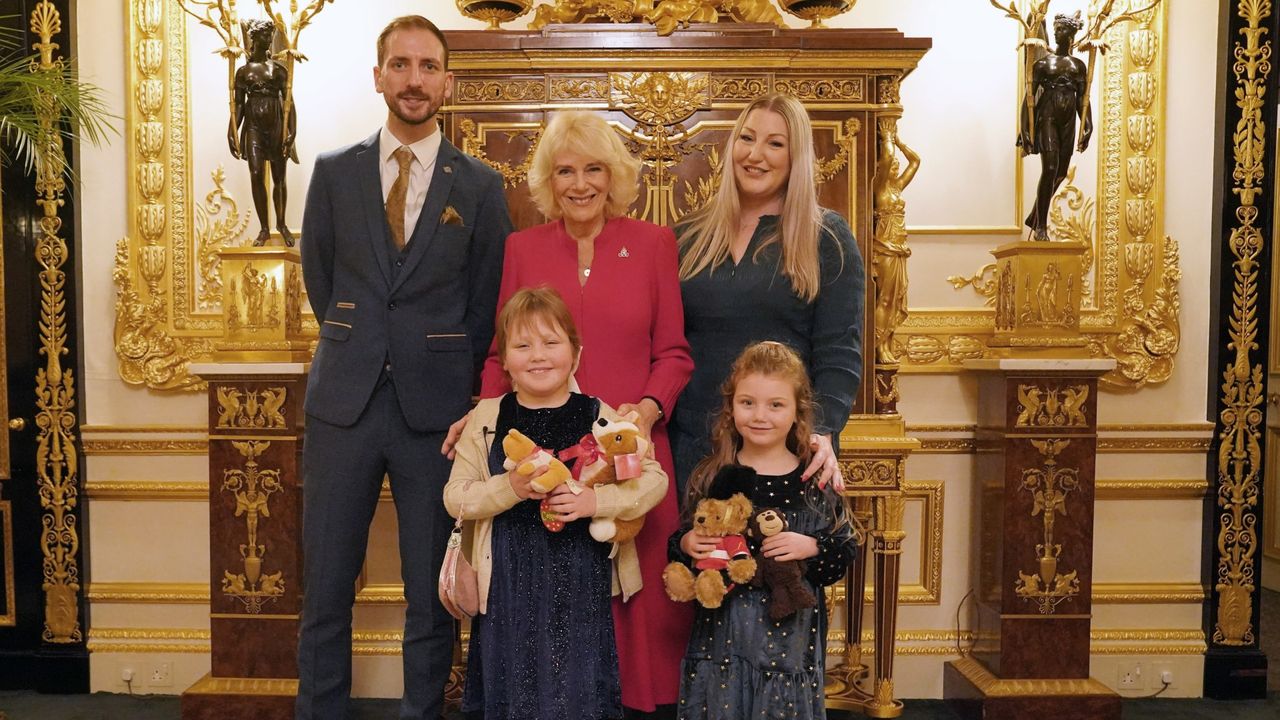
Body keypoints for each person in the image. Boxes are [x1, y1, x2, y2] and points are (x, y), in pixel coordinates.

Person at [296, 15, 512, 720]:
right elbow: (323, 282)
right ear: (379, 75)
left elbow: (486, 306)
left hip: (437, 414)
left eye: (427, 66)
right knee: (326, 586)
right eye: (400, 64)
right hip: (343, 406)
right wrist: (368, 344)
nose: (413, 79)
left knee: (430, 591)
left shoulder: (481, 186)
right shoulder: (333, 174)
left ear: (448, 81)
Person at [448, 109, 694, 717]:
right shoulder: (521, 247)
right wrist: (480, 413)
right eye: (565, 171)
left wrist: (645, 410)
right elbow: (500, 349)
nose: (580, 183)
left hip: (626, 447)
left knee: (629, 596)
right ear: (547, 181)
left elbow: (675, 353)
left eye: (593, 169)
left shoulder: (655, 243)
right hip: (535, 445)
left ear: (613, 177)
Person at [444, 286, 668, 720]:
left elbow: (653, 480)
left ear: (576, 354)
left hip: (580, 578)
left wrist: (594, 501)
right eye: (522, 345)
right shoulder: (487, 418)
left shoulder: (600, 415)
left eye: (551, 343)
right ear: (505, 360)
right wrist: (509, 488)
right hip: (506, 583)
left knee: (576, 688)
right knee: (514, 687)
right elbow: (456, 497)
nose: (538, 356)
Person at [671, 92, 865, 498]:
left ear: (796, 157)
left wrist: (823, 431)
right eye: (746, 138)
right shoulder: (687, 235)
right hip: (694, 446)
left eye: (775, 144)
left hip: (786, 448)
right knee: (695, 559)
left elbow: (839, 351)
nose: (755, 154)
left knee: (778, 560)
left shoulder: (826, 237)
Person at [669, 341, 856, 719]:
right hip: (721, 645)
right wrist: (688, 543)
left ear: (798, 412)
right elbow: (684, 542)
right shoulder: (713, 474)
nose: (760, 416)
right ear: (731, 407)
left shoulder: (813, 478)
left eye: (776, 405)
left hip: (788, 646)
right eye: (747, 402)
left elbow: (842, 551)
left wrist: (811, 547)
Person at [1022, 11, 1092, 241]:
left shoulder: (1078, 66)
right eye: (1056, 28)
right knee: (1050, 168)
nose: (1057, 32)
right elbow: (1029, 98)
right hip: (1048, 117)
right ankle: (1041, 227)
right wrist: (1025, 129)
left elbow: (1084, 98)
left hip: (1068, 121)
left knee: (1061, 172)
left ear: (1071, 35)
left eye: (1062, 29)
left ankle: (1035, 214)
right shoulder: (1043, 64)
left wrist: (1087, 124)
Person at [230, 19, 297, 247]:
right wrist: (232, 130)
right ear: (254, 39)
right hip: (254, 127)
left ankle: (281, 223)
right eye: (264, 38)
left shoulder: (278, 70)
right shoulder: (243, 72)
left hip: (276, 123)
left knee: (279, 176)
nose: (268, 41)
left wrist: (292, 131)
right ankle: (264, 228)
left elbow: (289, 102)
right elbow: (238, 104)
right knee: (257, 173)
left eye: (270, 37)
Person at [871, 116, 919, 364]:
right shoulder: (879, 188)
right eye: (892, 166)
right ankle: (878, 347)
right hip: (886, 249)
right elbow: (887, 158)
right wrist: (887, 138)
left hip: (900, 249)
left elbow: (916, 161)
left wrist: (899, 141)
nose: (896, 167)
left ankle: (887, 344)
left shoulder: (897, 188)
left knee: (895, 299)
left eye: (896, 166)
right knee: (885, 299)